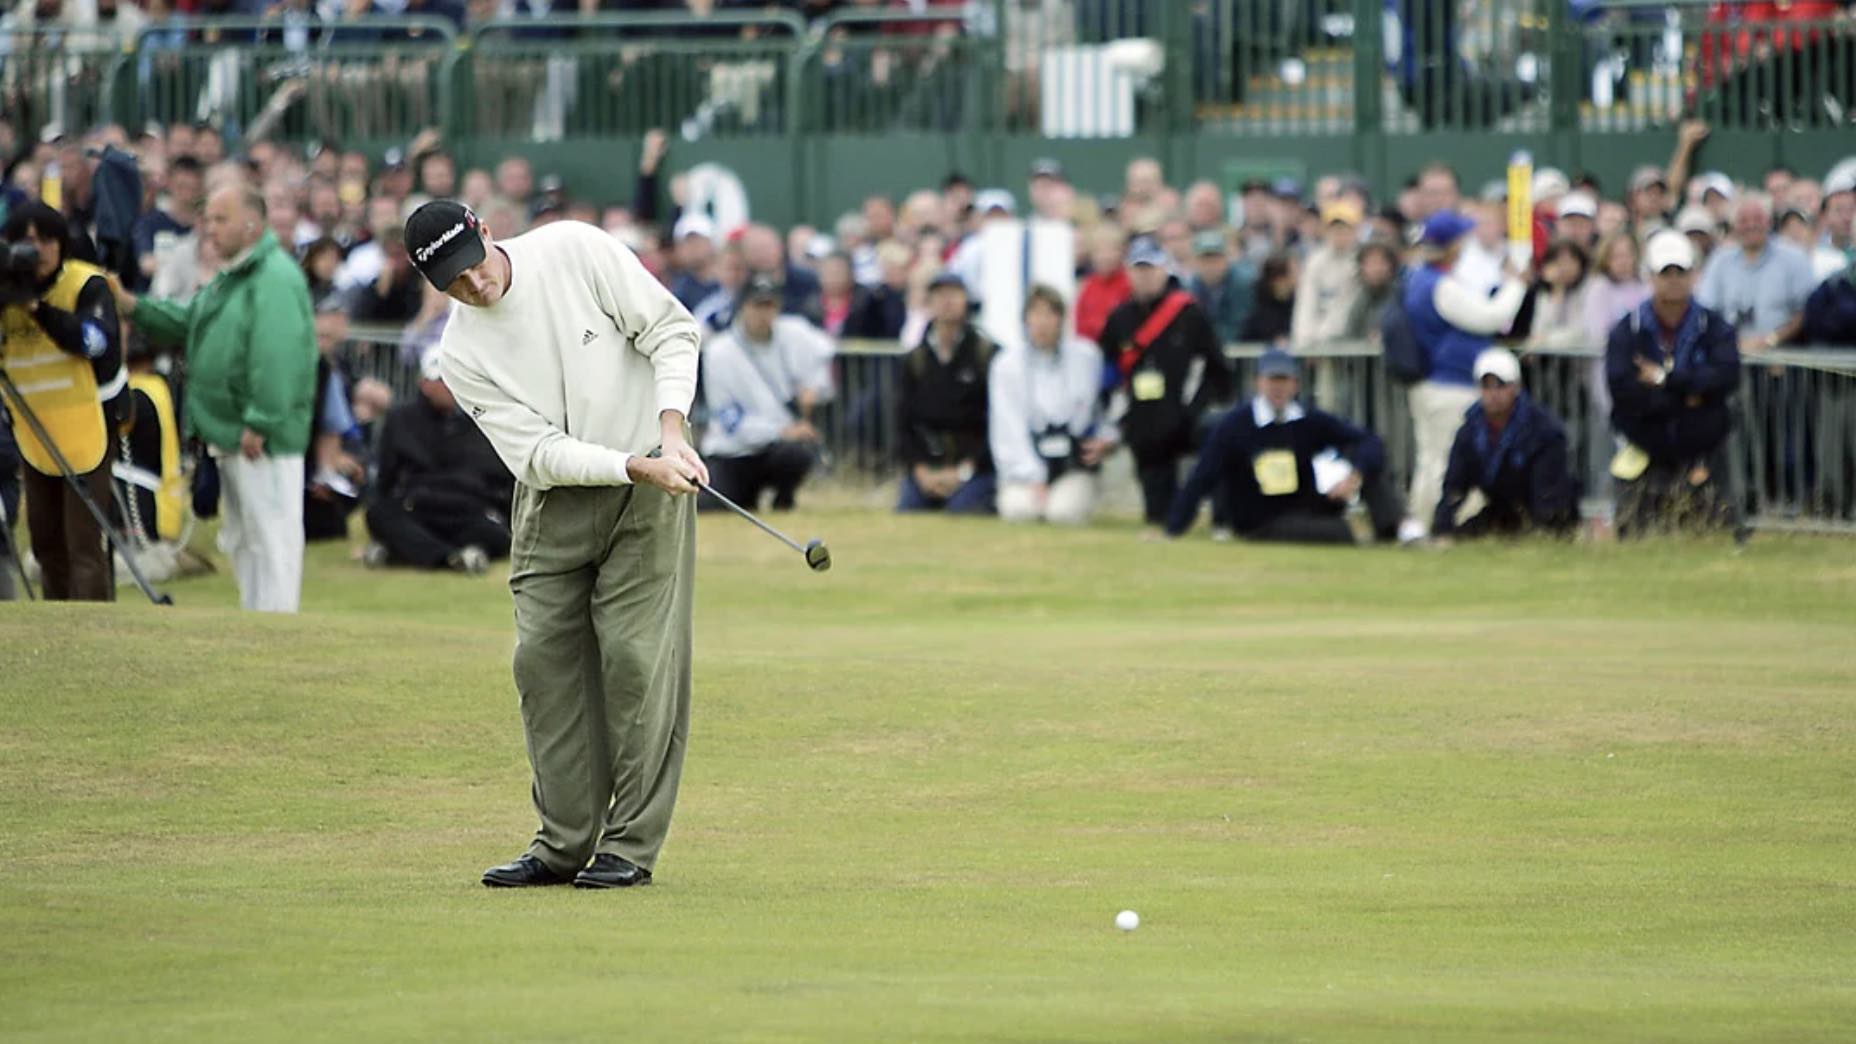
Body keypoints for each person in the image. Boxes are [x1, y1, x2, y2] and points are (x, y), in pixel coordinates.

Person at [406, 199, 704, 890]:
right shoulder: (461, 352)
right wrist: (632, 464)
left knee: (636, 658)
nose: (472, 287)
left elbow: (670, 331)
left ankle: (628, 844)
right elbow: (538, 455)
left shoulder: (573, 250)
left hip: (653, 477)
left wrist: (671, 433)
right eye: (450, 283)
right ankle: (563, 842)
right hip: (557, 497)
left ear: (485, 231)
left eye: (472, 268)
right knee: (541, 660)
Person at [112, 184, 317, 613]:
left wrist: (260, 422)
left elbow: (276, 355)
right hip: (230, 432)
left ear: (251, 223)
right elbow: (189, 322)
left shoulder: (273, 277)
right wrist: (133, 305)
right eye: (209, 219)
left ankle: (278, 628)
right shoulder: (233, 276)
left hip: (260, 437)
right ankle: (258, 621)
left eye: (221, 219)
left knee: (272, 536)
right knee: (244, 538)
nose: (210, 229)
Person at [0, 200, 128, 602]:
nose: (33, 249)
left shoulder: (84, 284)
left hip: (87, 428)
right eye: (22, 239)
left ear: (61, 243)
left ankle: (92, 626)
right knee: (45, 539)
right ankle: (55, 624)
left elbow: (92, 341)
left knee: (83, 542)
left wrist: (36, 308)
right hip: (34, 431)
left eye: (43, 239)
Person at [1165, 349, 1404, 544]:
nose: (1278, 388)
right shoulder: (1235, 425)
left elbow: (1368, 440)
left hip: (1305, 506)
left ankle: (1393, 531)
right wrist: (1174, 528)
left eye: (1284, 380)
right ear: (1258, 382)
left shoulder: (1307, 418)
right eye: (1272, 380)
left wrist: (1355, 475)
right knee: (1337, 532)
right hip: (1261, 518)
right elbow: (1202, 476)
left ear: (1295, 384)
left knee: (1371, 462)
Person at [1605, 231, 1742, 536]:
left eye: (1680, 271)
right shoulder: (1626, 331)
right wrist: (1687, 396)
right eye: (1665, 272)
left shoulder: (1715, 327)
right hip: (1645, 444)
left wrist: (1663, 380)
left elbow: (1725, 377)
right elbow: (1623, 390)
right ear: (1650, 276)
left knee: (1713, 533)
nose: (1673, 280)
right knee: (1636, 536)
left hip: (1702, 447)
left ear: (1693, 275)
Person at [1401, 210, 1527, 540]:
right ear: (1451, 245)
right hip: (1450, 385)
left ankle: (1424, 524)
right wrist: (1518, 283)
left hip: (1433, 384)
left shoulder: (1420, 278)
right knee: (1444, 459)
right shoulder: (1439, 285)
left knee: (1430, 457)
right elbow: (1490, 317)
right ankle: (1446, 526)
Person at [1100, 238, 1234, 529]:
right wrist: (1118, 417)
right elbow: (1108, 372)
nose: (1145, 275)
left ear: (1165, 270)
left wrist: (1195, 407)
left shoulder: (1188, 313)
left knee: (1217, 439)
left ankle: (1222, 520)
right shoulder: (1119, 319)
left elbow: (1218, 370)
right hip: (1143, 420)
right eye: (1139, 269)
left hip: (1185, 416)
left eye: (1151, 268)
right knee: (1158, 516)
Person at [363, 348, 514, 574]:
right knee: (380, 514)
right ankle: (453, 557)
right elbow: (387, 475)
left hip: (470, 508)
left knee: (498, 534)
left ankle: (403, 551)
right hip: (419, 505)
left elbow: (502, 476)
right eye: (442, 380)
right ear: (424, 384)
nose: (450, 387)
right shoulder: (401, 420)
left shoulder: (484, 418)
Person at [698, 275, 836, 512]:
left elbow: (828, 350)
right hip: (732, 451)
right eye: (757, 306)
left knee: (797, 454)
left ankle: (784, 500)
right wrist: (780, 431)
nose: (763, 314)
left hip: (779, 448)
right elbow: (730, 421)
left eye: (769, 306)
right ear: (743, 307)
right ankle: (746, 496)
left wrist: (814, 388)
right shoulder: (719, 352)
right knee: (709, 506)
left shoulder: (794, 332)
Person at [989, 285, 1118, 526]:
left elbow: (1102, 411)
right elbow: (1007, 427)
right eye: (1035, 314)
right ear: (1025, 319)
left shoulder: (1087, 358)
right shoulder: (1007, 365)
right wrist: (1032, 476)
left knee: (1062, 514)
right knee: (1020, 511)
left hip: (1072, 466)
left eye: (1050, 314)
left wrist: (1106, 441)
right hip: (1024, 467)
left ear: (1061, 319)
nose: (1042, 323)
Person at [1431, 348, 1581, 540]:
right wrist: (1442, 529)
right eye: (1486, 386)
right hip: (1502, 512)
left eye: (1500, 386)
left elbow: (1548, 490)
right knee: (1462, 538)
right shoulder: (1470, 431)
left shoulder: (1543, 430)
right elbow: (1455, 485)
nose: (1493, 394)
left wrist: (1542, 529)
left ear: (1516, 387)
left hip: (1548, 513)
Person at [896, 273, 997, 514]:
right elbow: (903, 423)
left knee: (961, 511)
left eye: (954, 294)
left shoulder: (987, 355)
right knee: (908, 511)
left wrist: (964, 470)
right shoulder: (915, 360)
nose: (947, 301)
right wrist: (919, 470)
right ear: (929, 303)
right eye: (939, 295)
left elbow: (997, 423)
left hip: (975, 467)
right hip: (927, 465)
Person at [1290, 201, 1362, 351]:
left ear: (1355, 230)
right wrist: (1304, 343)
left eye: (1344, 229)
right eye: (1334, 229)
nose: (1339, 234)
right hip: (1317, 343)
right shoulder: (1315, 261)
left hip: (1353, 343)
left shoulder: (1362, 261)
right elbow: (1306, 304)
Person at [1185, 229, 1253, 347]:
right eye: (1205, 260)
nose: (1211, 265)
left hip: (1236, 349)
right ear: (1195, 261)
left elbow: (1239, 324)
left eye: (1216, 258)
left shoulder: (1242, 285)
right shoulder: (1188, 289)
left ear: (1226, 259)